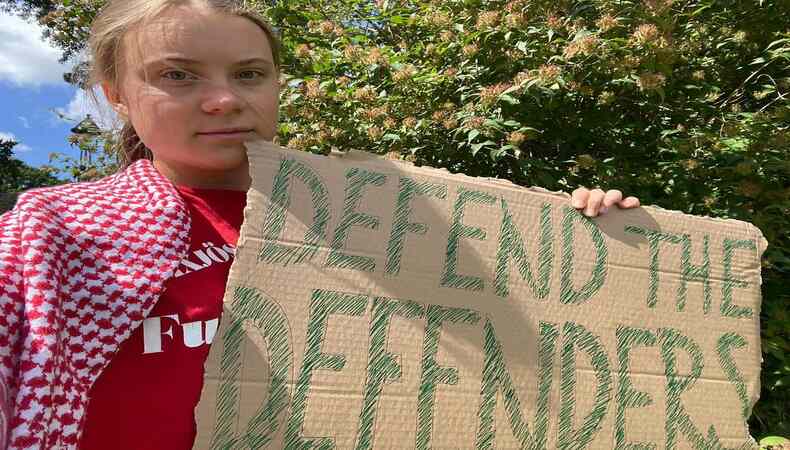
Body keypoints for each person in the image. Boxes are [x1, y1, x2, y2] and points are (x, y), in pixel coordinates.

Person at [0, 0, 641, 448]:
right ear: (116, 92)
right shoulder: (48, 240)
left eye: (249, 74)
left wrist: (590, 237)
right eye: (177, 75)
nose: (224, 98)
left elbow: (499, 336)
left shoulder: (385, 219)